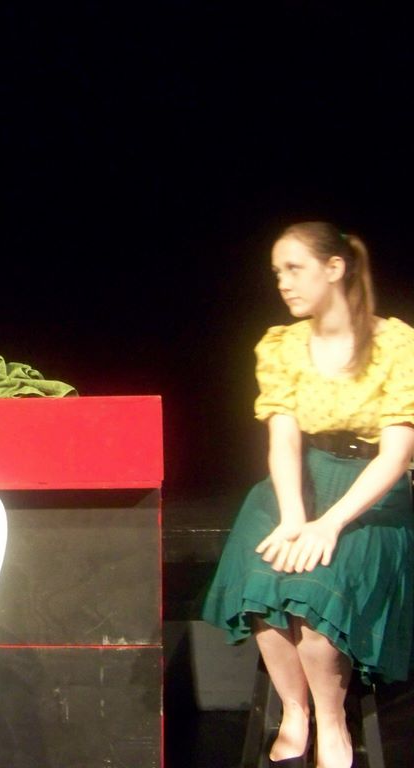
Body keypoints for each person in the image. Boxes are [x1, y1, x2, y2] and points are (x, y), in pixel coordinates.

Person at [202, 222, 414, 768]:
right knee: (265, 580)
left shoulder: (396, 344)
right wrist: (295, 517)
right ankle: (295, 710)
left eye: (294, 268)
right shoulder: (282, 346)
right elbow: (283, 442)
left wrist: (329, 524)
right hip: (301, 477)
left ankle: (332, 720)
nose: (283, 282)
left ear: (335, 268)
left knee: (317, 600)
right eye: (277, 272)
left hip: (368, 485)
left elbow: (396, 455)